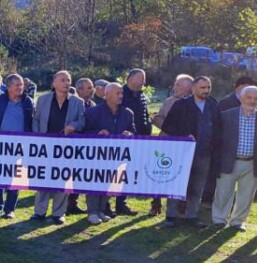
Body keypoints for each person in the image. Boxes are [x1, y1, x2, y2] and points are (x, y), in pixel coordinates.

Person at [161, 76, 220, 228]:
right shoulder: (181, 105)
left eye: (208, 87)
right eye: (202, 87)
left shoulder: (213, 105)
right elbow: (168, 127)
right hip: (183, 153)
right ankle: (171, 216)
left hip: (204, 153)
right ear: (193, 88)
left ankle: (192, 215)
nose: (206, 90)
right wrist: (183, 136)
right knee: (177, 184)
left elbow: (219, 128)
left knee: (197, 186)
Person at [212, 86, 257, 231]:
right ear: (241, 98)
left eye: (256, 98)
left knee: (246, 195)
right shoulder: (226, 116)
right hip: (229, 161)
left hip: (252, 163)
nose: (252, 101)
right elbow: (217, 140)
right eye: (249, 97)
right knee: (223, 193)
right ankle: (219, 219)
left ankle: (237, 221)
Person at [31, 70, 85, 225]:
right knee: (43, 178)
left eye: (68, 80)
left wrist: (74, 126)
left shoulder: (78, 102)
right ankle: (39, 212)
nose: (66, 83)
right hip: (45, 147)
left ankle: (58, 213)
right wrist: (38, 137)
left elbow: (82, 122)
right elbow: (36, 120)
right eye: (63, 80)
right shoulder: (43, 99)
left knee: (62, 179)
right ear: (54, 83)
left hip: (66, 148)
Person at [83, 83, 135, 224]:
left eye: (121, 93)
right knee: (94, 182)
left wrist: (129, 133)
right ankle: (92, 212)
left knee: (109, 183)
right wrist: (97, 133)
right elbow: (84, 132)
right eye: (117, 93)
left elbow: (133, 131)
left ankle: (101, 210)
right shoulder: (93, 112)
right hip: (97, 155)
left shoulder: (128, 113)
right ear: (106, 95)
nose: (121, 96)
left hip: (117, 155)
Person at [0, 74, 34, 219]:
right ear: (8, 87)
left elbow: (32, 121)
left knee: (15, 177)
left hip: (19, 145)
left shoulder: (28, 102)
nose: (21, 87)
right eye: (17, 85)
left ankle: (10, 209)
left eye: (21, 85)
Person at [148, 74, 194, 217]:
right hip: (165, 143)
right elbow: (159, 118)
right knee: (158, 173)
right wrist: (169, 127)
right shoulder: (168, 101)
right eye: (175, 84)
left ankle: (180, 206)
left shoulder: (194, 103)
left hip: (183, 147)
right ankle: (156, 204)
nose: (174, 87)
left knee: (181, 175)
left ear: (189, 87)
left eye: (178, 85)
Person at [114, 69, 150, 216]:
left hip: (140, 139)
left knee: (129, 172)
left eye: (144, 79)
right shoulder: (121, 94)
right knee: (118, 171)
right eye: (141, 78)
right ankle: (106, 204)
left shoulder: (142, 96)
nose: (143, 82)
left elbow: (145, 115)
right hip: (124, 139)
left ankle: (121, 203)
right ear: (130, 78)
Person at [66, 78, 96, 215]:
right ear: (79, 90)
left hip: (88, 145)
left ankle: (73, 203)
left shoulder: (92, 104)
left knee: (81, 176)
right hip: (73, 144)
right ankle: (68, 204)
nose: (92, 90)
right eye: (88, 88)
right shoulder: (71, 104)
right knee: (71, 175)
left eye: (92, 87)